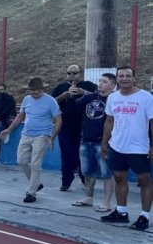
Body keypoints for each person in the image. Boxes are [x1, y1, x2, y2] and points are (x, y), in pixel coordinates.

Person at [99, 66, 153, 230]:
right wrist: (104, 143)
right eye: (121, 76)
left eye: (128, 75)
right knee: (119, 178)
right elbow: (109, 121)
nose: (124, 78)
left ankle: (144, 217)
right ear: (117, 79)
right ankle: (121, 213)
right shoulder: (113, 97)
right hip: (117, 146)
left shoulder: (146, 97)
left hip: (139, 148)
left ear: (134, 78)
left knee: (145, 181)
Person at [0, 77, 62, 203]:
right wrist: (8, 130)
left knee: (35, 164)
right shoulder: (26, 99)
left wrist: (53, 136)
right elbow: (21, 115)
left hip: (42, 135)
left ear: (42, 89)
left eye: (37, 90)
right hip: (26, 134)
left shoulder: (51, 101)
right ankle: (36, 183)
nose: (34, 92)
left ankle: (31, 193)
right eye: (32, 90)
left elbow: (58, 120)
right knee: (21, 161)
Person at [71, 73, 116, 210]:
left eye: (104, 81)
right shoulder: (89, 97)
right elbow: (74, 109)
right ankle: (88, 197)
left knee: (107, 173)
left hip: (104, 142)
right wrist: (72, 95)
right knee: (87, 171)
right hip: (86, 140)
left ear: (113, 85)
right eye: (100, 81)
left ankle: (106, 203)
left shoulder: (115, 99)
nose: (100, 83)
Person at [51, 65, 97, 191]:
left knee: (84, 156)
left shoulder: (88, 85)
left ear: (80, 74)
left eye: (75, 73)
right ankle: (66, 182)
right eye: (69, 73)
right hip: (65, 127)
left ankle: (85, 181)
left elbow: (99, 97)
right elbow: (51, 103)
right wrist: (63, 96)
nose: (72, 76)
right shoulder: (60, 87)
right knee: (66, 156)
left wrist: (84, 93)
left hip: (84, 127)